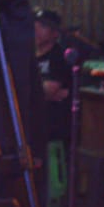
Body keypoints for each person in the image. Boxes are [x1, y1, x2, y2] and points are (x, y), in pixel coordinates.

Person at [34, 9, 72, 144]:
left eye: (43, 26)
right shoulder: (27, 55)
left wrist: (27, 89)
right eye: (35, 25)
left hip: (52, 127)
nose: (36, 30)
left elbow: (48, 90)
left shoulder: (59, 56)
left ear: (55, 33)